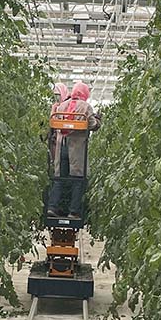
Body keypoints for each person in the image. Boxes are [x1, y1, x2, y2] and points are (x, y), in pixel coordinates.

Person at [47, 82, 101, 219]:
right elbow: (92, 125)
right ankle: (73, 211)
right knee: (77, 179)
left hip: (61, 147)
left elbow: (54, 123)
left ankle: (52, 207)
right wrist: (98, 120)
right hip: (76, 149)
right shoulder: (85, 107)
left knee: (59, 178)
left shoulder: (62, 106)